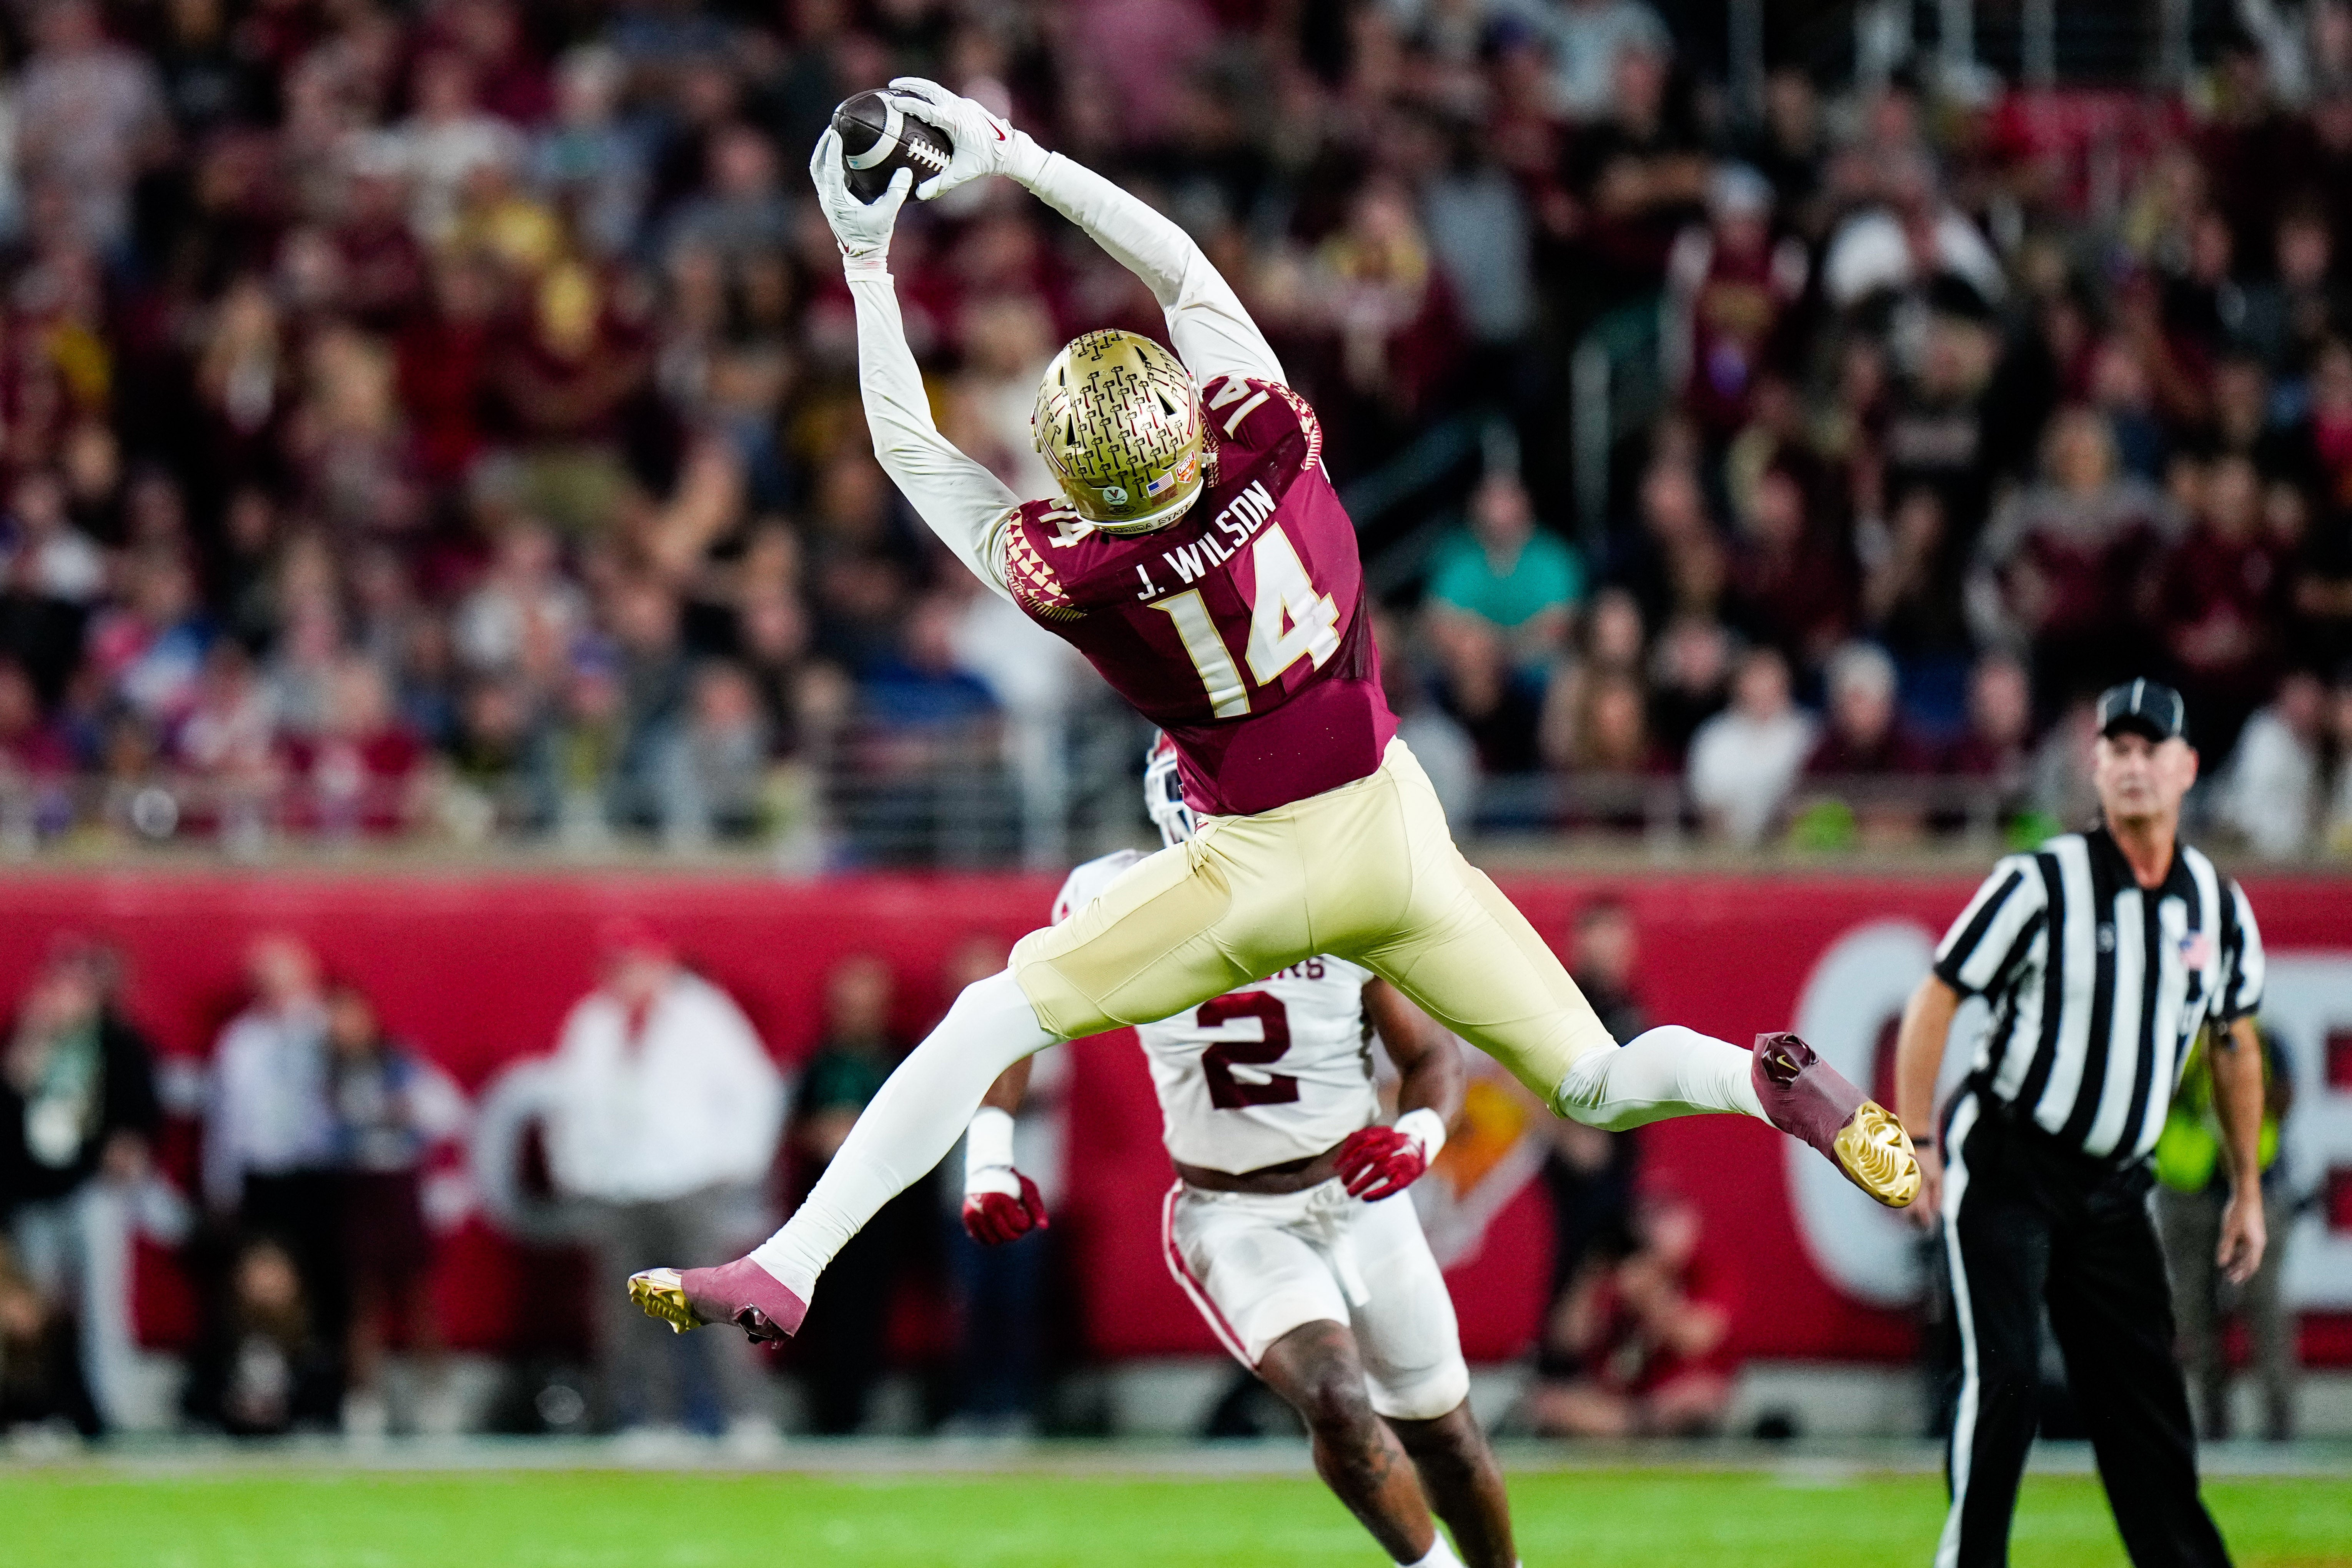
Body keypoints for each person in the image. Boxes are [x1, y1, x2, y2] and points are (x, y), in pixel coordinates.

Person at [630, 79, 1915, 1351]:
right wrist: (1013, 155)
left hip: (1251, 863)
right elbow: (1181, 268)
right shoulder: (1266, 440)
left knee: (985, 1016)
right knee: (1592, 1075)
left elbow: (911, 449)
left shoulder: (1085, 576)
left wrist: (865, 261)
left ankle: (790, 1258)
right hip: (1391, 825)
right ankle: (1762, 1075)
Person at [965, 733, 1517, 1568]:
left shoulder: (1339, 895)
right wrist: (989, 1156)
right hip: (1233, 1212)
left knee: (1444, 1428)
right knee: (1334, 1396)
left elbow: (1430, 1055)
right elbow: (1015, 1019)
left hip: (1356, 1196)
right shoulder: (1108, 896)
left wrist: (1420, 1132)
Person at [1893, 679, 2269, 1568]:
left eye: (2151, 751)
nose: (2133, 767)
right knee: (2007, 1377)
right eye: (2118, 750)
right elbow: (1937, 993)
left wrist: (2246, 1186)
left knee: (2144, 1398)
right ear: (2094, 766)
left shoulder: (2215, 906)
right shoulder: (2039, 882)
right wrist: (1914, 1140)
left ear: (2186, 768)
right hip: (2010, 1163)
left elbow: (2232, 1044)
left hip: (2112, 1187)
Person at [544, 918, 785, 1439]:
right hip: (620, 1186)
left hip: (690, 1181)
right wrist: (577, 1168)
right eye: (614, 966)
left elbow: (755, 1089)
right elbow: (570, 1102)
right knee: (629, 1312)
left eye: (632, 964)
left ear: (661, 964)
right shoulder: (592, 1020)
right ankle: (648, 1419)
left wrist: (735, 1162)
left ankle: (744, 1416)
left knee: (716, 1308)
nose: (622, 976)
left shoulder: (702, 1014)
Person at [0, 937, 161, 1433]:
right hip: (32, 1192)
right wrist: (33, 1039)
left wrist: (129, 1147)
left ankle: (109, 1408)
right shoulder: (25, 1039)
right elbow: (9, 1100)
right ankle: (37, 1402)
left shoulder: (119, 1042)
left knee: (102, 1305)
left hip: (93, 1189)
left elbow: (143, 1112)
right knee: (35, 1311)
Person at [323, 982, 466, 1437]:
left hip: (397, 1183)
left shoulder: (399, 1062)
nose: (342, 1028)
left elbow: (445, 1112)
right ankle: (364, 1401)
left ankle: (436, 1396)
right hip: (354, 1184)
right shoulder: (325, 1069)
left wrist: (410, 1111)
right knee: (361, 1301)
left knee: (418, 1297)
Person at [204, 934, 345, 1367]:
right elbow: (225, 1121)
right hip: (262, 1176)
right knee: (259, 1284)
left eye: (285, 982)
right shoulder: (240, 1041)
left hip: (320, 1175)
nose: (276, 993)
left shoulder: (330, 1028)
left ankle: (323, 1380)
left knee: (325, 1278)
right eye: (265, 983)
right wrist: (220, 1184)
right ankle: (258, 1381)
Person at [2154, 1025, 2297, 1441]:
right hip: (2189, 1188)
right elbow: (2154, 1098)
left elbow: (2285, 1098)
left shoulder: (2261, 1038)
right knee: (2193, 1312)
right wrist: (2199, 1071)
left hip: (2254, 1185)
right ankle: (2212, 1420)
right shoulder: (2174, 1037)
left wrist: (2237, 1082)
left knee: (2264, 1307)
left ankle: (2280, 1422)